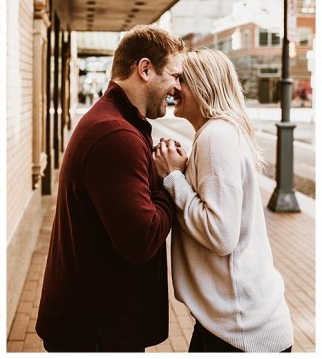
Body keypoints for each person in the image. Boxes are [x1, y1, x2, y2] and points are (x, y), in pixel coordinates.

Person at [35, 25, 184, 352]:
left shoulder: (114, 122)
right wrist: (169, 179)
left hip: (94, 324)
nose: (177, 87)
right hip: (96, 333)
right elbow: (141, 240)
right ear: (144, 69)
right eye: (174, 75)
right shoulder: (117, 135)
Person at [153, 49, 293, 353]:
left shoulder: (217, 137)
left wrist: (174, 178)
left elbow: (221, 234)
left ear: (204, 85)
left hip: (240, 333)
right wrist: (186, 169)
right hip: (237, 327)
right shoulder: (218, 134)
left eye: (182, 79)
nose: (174, 87)